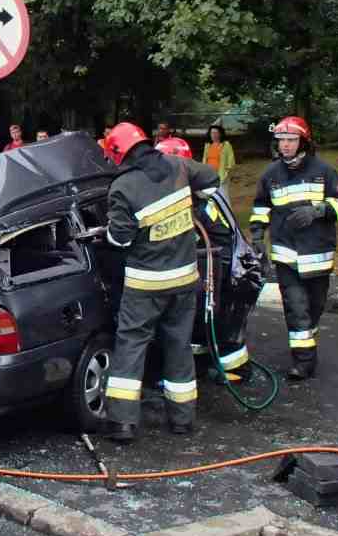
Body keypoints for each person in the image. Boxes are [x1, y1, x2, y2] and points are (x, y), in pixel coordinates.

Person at [102, 122, 219, 443]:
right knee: (178, 344)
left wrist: (108, 230)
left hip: (145, 285)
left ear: (118, 153)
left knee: (131, 344)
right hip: (184, 279)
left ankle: (123, 423)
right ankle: (182, 419)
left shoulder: (123, 187)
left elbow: (119, 240)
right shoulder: (178, 165)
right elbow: (211, 181)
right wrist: (192, 204)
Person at [250, 116, 338, 380]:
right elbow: (261, 208)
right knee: (296, 309)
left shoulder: (324, 171)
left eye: (291, 140)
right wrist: (258, 237)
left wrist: (318, 211)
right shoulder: (271, 175)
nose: (286, 146)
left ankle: (306, 343)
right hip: (287, 256)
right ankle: (303, 362)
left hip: (318, 255)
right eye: (281, 141)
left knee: (313, 309)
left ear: (303, 141)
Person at [158, 137, 254, 384]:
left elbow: (215, 236)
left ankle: (237, 370)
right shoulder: (194, 192)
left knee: (220, 323)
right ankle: (199, 365)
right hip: (213, 266)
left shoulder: (202, 200)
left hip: (223, 267)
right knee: (199, 323)